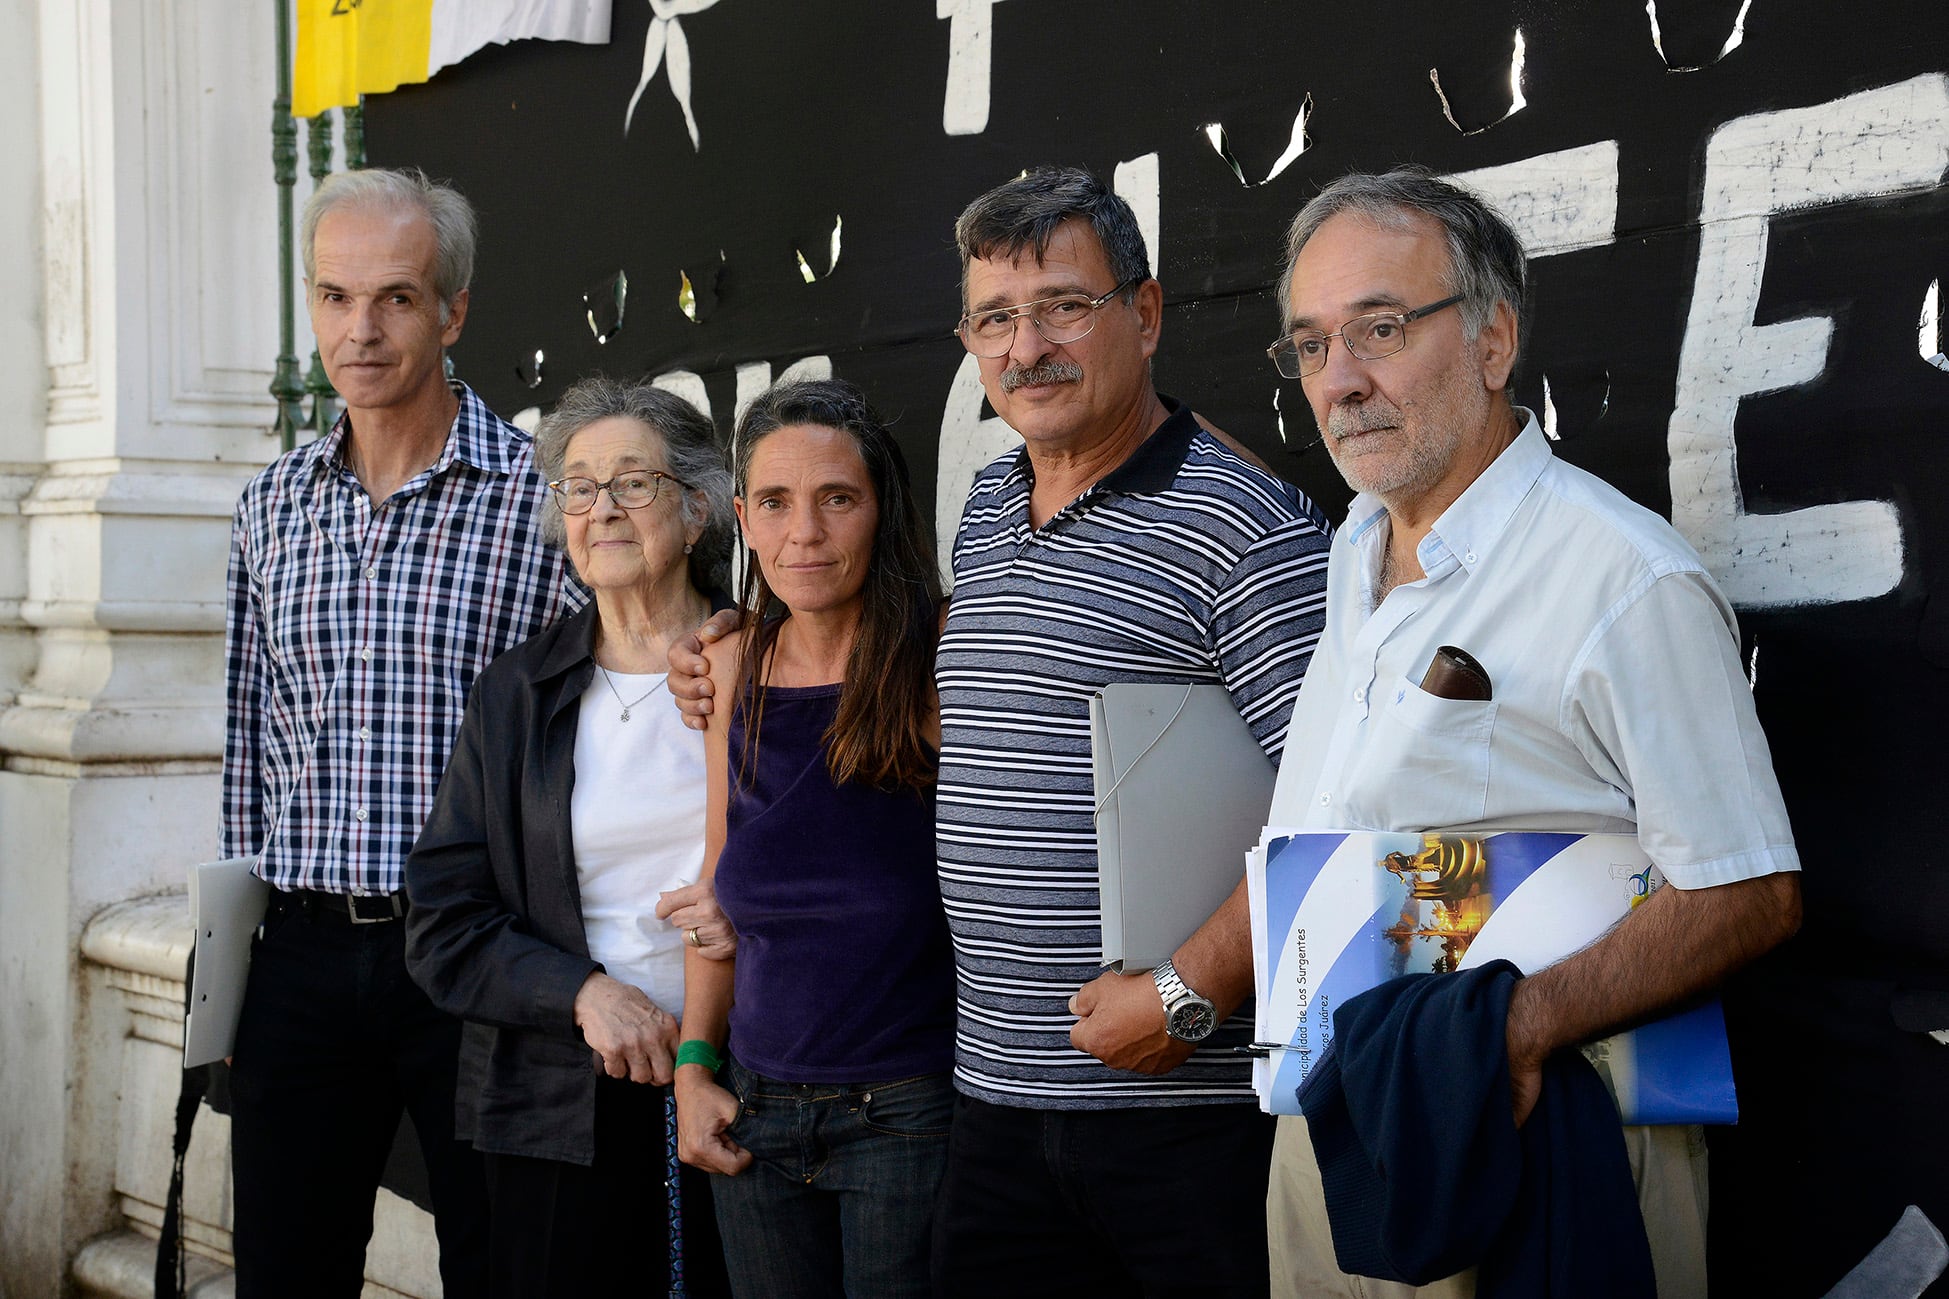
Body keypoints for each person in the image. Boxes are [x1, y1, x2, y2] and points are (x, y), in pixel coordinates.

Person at [1260, 166, 1803, 1297]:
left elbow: (1749, 892)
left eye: (1379, 328)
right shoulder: (1350, 550)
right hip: (1339, 1123)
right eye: (1311, 345)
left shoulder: (1619, 576)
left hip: (1543, 1132)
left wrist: (1516, 1028)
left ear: (1493, 339)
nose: (1341, 381)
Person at [220, 168, 566, 1296]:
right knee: (284, 1269)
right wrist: (228, 970)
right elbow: (248, 739)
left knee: (495, 1263)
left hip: (471, 948)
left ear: (453, 311)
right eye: (333, 297)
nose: (358, 331)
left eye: (396, 299)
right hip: (303, 955)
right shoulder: (270, 505)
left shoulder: (538, 497)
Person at [403, 376, 738, 1297]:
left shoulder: (762, 664)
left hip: (746, 1087)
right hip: (557, 1106)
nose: (602, 508)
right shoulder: (519, 691)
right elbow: (442, 919)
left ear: (698, 506)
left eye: (634, 482)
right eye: (580, 488)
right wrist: (582, 992)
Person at [673, 378, 955, 1298]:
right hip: (755, 1108)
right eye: (775, 502)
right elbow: (720, 891)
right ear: (743, 520)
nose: (805, 532)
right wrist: (693, 1068)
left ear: (881, 508)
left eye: (837, 497)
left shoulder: (938, 659)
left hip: (906, 1114)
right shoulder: (726, 664)